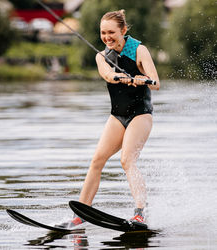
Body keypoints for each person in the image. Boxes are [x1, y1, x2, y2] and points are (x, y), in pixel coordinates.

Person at [60, 9, 160, 228]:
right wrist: (121, 78)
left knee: (127, 160)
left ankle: (141, 213)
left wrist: (143, 79)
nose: (107, 37)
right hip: (117, 116)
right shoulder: (101, 56)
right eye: (103, 33)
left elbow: (156, 82)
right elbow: (107, 74)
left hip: (140, 115)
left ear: (123, 30)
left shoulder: (140, 50)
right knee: (97, 160)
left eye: (111, 32)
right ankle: (79, 216)